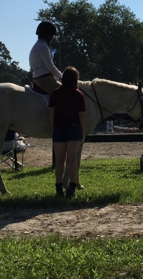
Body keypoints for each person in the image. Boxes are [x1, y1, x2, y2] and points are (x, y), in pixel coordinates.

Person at [48, 66, 86, 199]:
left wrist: (54, 127)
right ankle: (72, 187)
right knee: (72, 160)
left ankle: (58, 188)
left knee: (59, 160)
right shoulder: (78, 95)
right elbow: (81, 116)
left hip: (59, 127)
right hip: (73, 127)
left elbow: (51, 113)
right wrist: (82, 130)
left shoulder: (55, 93)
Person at [29, 20, 63, 94]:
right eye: (52, 36)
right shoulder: (43, 47)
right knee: (66, 93)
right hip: (45, 79)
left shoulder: (37, 46)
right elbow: (50, 67)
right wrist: (62, 76)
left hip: (37, 78)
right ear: (48, 35)